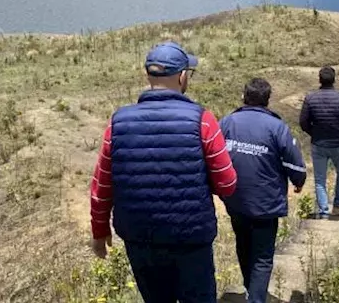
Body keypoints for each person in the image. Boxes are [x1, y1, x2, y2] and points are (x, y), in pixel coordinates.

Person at [89, 41, 238, 303]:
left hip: (140, 239)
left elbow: (102, 185)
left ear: (148, 75)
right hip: (191, 238)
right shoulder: (202, 120)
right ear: (182, 77)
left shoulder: (118, 122)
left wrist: (99, 231)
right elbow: (227, 183)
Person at [220, 79, 308, 303]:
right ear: (268, 100)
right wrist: (298, 180)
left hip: (235, 199)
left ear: (244, 96)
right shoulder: (277, 127)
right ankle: (256, 298)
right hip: (266, 202)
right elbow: (295, 164)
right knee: (262, 256)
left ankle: (251, 290)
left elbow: (214, 157)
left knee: (243, 243)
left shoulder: (227, 122)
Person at [299, 66, 339, 217]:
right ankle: (338, 205)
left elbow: (303, 122)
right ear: (334, 80)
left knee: (320, 178)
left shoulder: (310, 98)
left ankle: (323, 210)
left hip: (318, 143)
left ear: (319, 79)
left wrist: (313, 133)